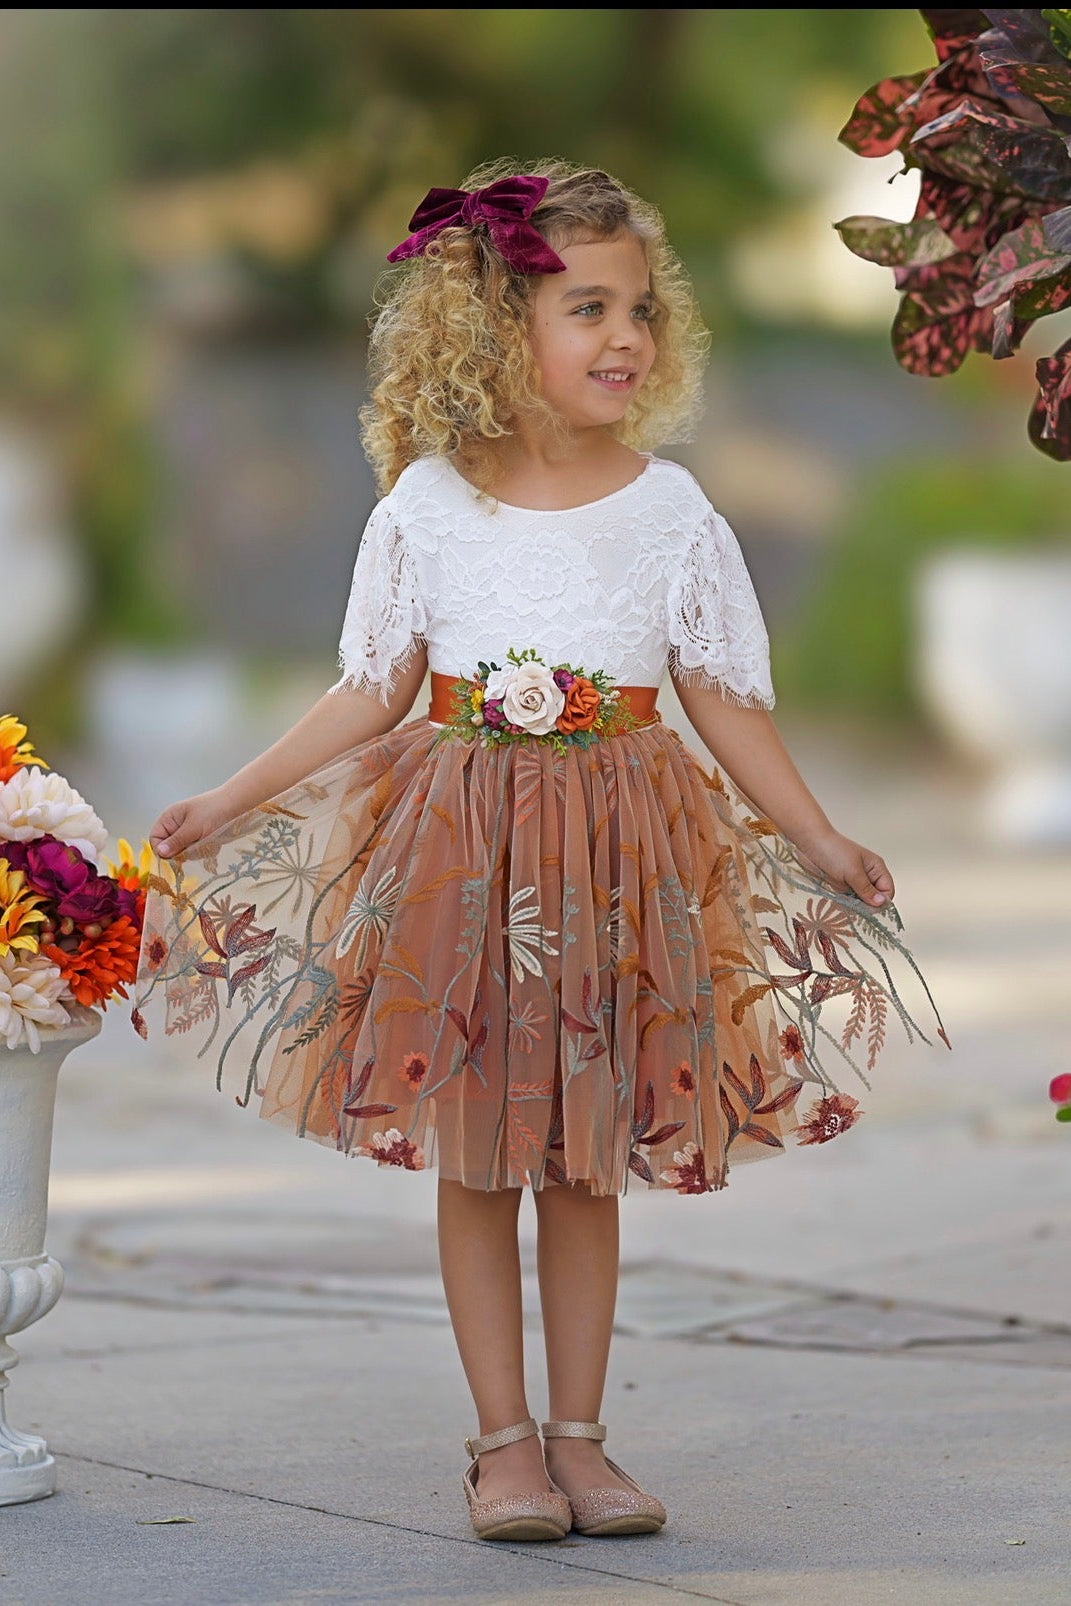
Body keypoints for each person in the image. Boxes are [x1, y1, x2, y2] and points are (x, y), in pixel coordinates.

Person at [135, 161, 945, 1543]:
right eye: (587, 307)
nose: (624, 335)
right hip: (465, 854)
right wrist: (226, 794)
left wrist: (816, 830)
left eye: (639, 308)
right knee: (481, 1147)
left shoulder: (672, 512)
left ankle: (583, 1438)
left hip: (625, 851)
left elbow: (722, 693)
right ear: (496, 328)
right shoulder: (429, 507)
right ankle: (500, 1442)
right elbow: (372, 685)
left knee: (585, 1154)